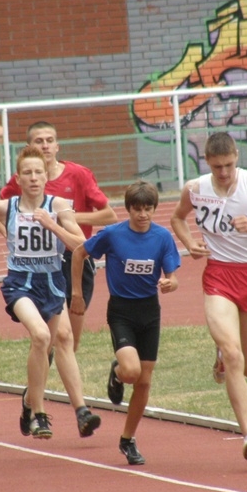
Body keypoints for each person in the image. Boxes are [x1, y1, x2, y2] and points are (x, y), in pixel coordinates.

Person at [170, 132, 247, 469]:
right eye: (217, 167)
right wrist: (190, 243)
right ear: (207, 164)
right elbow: (177, 217)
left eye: (228, 165)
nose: (223, 172)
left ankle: (224, 356)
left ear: (236, 157)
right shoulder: (196, 189)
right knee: (234, 353)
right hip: (219, 276)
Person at [0, 145, 100, 439]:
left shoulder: (59, 206)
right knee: (41, 336)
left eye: (38, 172)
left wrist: (51, 225)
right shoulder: (5, 208)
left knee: (62, 340)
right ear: (18, 177)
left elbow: (81, 245)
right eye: (26, 173)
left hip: (52, 283)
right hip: (20, 284)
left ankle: (76, 410)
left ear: (46, 176)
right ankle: (39, 415)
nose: (33, 178)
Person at [0, 121, 117, 432]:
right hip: (32, 268)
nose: (45, 146)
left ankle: (32, 400)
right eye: (38, 141)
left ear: (58, 145)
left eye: (50, 140)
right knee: (49, 338)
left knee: (68, 341)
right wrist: (13, 240)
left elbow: (109, 216)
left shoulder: (76, 175)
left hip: (73, 261)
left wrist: (62, 219)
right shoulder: (23, 180)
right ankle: (62, 409)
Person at [71, 181, 180, 466]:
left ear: (154, 209)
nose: (142, 214)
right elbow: (79, 253)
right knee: (131, 372)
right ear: (128, 209)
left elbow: (173, 275)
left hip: (150, 311)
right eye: (137, 209)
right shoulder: (113, 235)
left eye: (148, 209)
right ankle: (117, 372)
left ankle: (127, 439)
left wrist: (170, 283)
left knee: (144, 382)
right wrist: (77, 293)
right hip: (121, 310)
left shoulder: (162, 237)